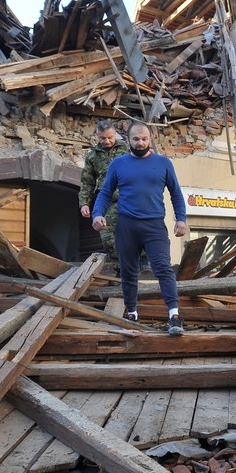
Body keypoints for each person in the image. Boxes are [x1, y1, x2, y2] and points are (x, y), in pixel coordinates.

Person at [93, 121, 188, 336]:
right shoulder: (118, 164)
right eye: (136, 139)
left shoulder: (163, 163)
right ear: (127, 139)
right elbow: (106, 193)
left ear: (150, 139)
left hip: (154, 225)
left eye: (144, 138)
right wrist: (98, 213)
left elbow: (175, 194)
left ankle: (174, 315)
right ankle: (132, 313)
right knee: (128, 271)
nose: (140, 142)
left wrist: (181, 219)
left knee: (163, 268)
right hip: (126, 225)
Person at [79, 120, 129, 272]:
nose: (107, 141)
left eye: (110, 137)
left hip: (130, 199)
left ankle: (142, 265)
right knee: (107, 237)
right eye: (102, 138)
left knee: (136, 232)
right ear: (97, 137)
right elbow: (87, 182)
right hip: (108, 201)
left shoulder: (128, 150)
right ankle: (120, 270)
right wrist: (84, 203)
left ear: (115, 134)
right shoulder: (92, 156)